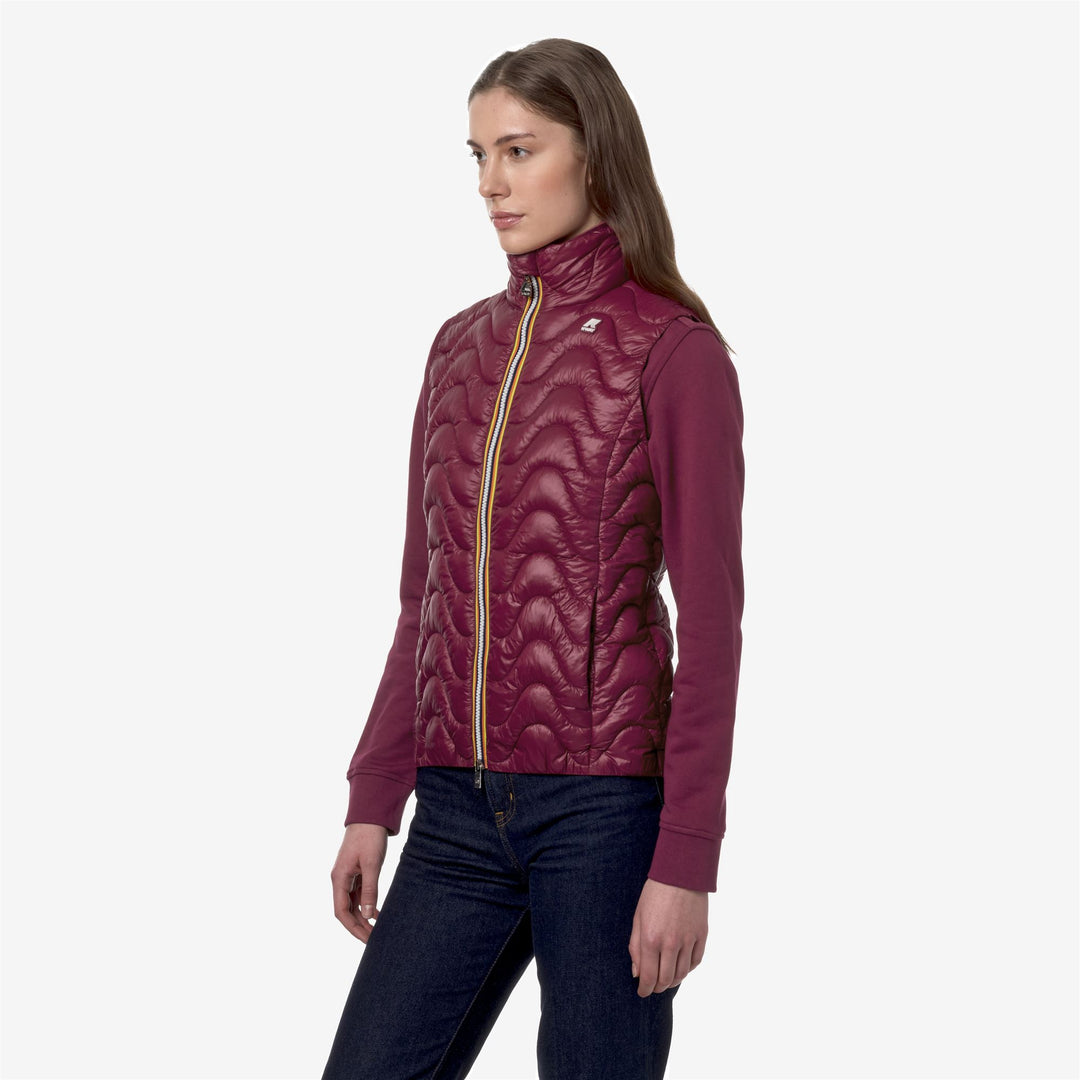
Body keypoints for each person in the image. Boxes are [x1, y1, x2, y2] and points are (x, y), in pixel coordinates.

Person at [321, 37, 745, 1080]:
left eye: (519, 150)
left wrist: (686, 856)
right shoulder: (458, 347)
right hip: (454, 813)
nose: (491, 184)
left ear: (594, 153)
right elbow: (425, 597)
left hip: (603, 816)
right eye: (478, 156)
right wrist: (376, 792)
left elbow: (713, 623)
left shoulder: (672, 353)